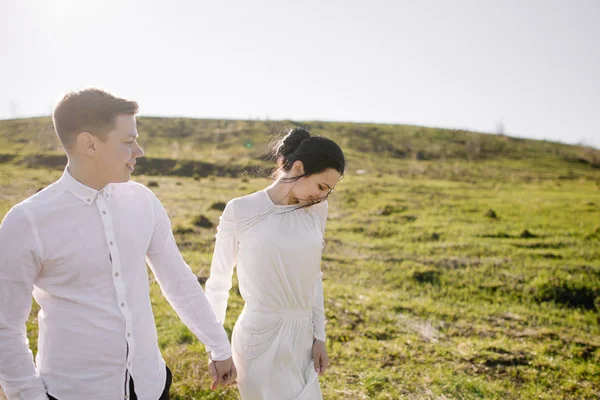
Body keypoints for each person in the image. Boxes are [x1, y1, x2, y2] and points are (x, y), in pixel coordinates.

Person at [0, 88, 236, 400]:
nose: (139, 151)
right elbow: (5, 328)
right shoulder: (26, 222)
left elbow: (179, 281)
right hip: (72, 392)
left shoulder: (144, 201)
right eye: (128, 142)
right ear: (89, 144)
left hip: (150, 386)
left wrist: (218, 345)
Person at [205, 127, 345, 399]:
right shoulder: (240, 210)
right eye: (321, 186)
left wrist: (320, 336)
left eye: (329, 191)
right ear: (298, 167)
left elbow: (313, 276)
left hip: (303, 338)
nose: (322, 196)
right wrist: (215, 349)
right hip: (258, 338)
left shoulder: (317, 211)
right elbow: (219, 283)